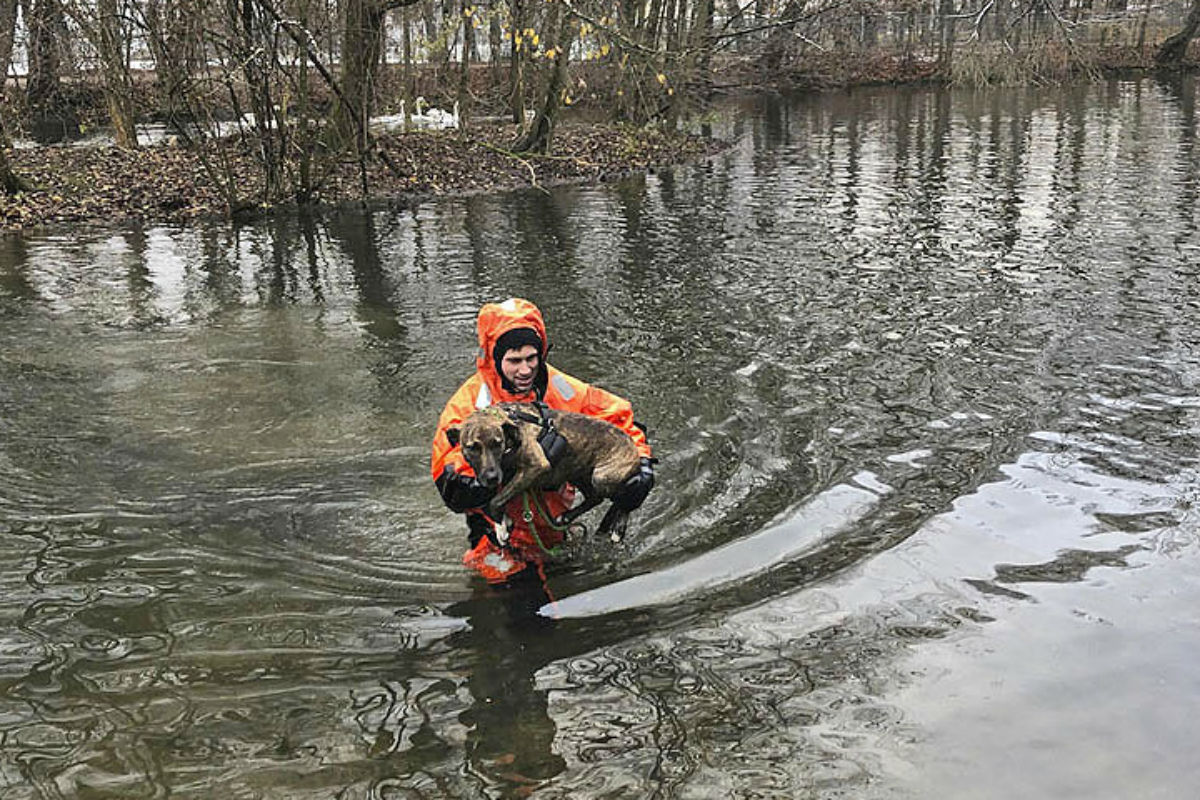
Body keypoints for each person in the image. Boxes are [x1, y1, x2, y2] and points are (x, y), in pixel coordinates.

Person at [431, 298, 655, 583]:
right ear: (494, 358)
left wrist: (643, 468)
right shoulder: (468, 406)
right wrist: (493, 476)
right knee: (518, 612)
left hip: (556, 528)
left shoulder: (563, 388)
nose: (525, 370)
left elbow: (620, 418)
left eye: (531, 358)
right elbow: (446, 470)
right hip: (497, 537)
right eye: (514, 361)